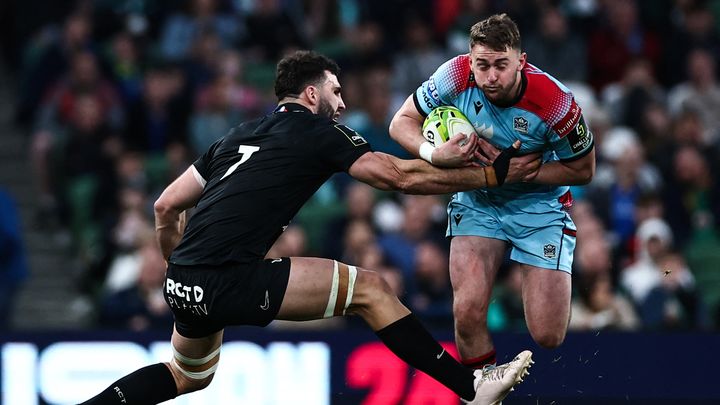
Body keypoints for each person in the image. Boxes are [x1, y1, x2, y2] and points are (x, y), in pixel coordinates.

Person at [80, 50, 539, 405]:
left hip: (182, 280)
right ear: (312, 95)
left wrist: (177, 264)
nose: (342, 103)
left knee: (189, 375)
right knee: (372, 291)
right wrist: (491, 174)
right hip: (224, 276)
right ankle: (469, 386)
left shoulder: (238, 134)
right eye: (336, 92)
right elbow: (398, 177)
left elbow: (165, 207)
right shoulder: (318, 132)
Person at [389, 13, 595, 371]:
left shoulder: (556, 101)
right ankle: (484, 395)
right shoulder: (454, 74)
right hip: (478, 201)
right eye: (482, 65)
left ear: (521, 61)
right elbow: (401, 122)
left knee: (549, 334)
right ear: (471, 61)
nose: (491, 76)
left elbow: (584, 169)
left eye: (501, 64)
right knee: (466, 311)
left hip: (539, 204)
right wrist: (436, 154)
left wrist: (521, 173)